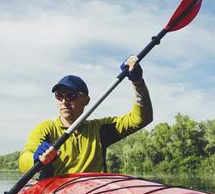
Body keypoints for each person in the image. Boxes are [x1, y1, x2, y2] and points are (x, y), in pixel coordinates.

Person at [18, 55, 153, 177]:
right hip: (56, 193)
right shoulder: (46, 128)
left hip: (94, 191)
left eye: (71, 95)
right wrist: (36, 158)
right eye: (59, 96)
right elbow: (23, 160)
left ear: (86, 100)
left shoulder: (100, 128)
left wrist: (138, 83)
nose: (64, 101)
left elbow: (141, 118)